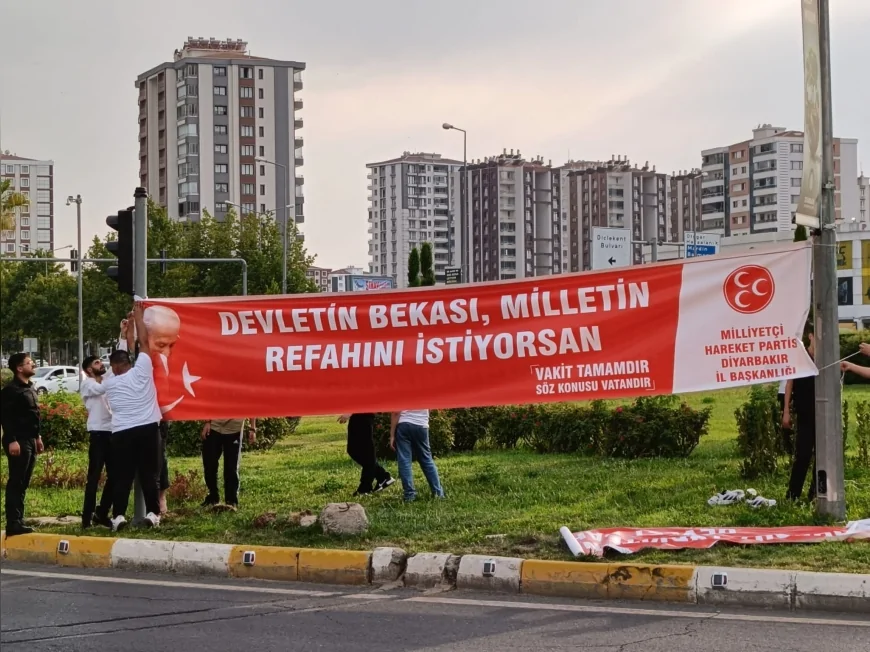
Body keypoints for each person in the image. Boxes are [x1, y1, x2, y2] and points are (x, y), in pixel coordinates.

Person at [91, 304, 163, 531]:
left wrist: (125, 332)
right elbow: (143, 341)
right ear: (129, 363)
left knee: (122, 476)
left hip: (121, 432)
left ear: (113, 366)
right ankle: (153, 514)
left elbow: (130, 347)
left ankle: (119, 516)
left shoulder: (109, 382)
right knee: (149, 474)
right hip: (148, 428)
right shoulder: (142, 369)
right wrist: (139, 315)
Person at [79, 320, 130, 528]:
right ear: (89, 370)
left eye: (102, 362)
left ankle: (102, 512)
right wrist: (114, 377)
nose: (102, 365)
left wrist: (123, 334)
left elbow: (119, 358)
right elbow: (104, 387)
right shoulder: (88, 384)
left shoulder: (106, 378)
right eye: (97, 363)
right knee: (94, 477)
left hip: (112, 432)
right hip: (98, 434)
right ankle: (86, 517)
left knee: (115, 475)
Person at [1, 353, 44, 536]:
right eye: (29, 363)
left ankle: (19, 518)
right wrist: (11, 440)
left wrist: (38, 437)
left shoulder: (30, 387)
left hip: (30, 440)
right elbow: (5, 417)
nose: (32, 364)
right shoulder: (10, 390)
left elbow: (33, 416)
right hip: (17, 440)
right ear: (19, 368)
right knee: (16, 481)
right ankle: (13, 522)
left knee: (24, 482)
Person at [783, 325, 816, 502]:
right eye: (818, 336)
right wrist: (786, 411)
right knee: (802, 455)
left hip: (824, 417)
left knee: (823, 458)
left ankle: (816, 494)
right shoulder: (800, 357)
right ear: (810, 336)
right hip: (804, 415)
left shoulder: (828, 358)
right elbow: (789, 384)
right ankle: (792, 495)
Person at [199, 417, 257, 508]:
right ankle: (212, 497)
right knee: (209, 463)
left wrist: (252, 429)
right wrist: (207, 421)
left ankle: (231, 501)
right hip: (214, 426)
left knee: (231, 467)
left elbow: (252, 405)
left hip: (234, 428)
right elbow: (209, 402)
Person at [390, 409, 444, 503]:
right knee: (427, 460)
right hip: (421, 425)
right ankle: (438, 493)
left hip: (404, 424)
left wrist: (392, 435)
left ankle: (409, 495)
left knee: (405, 461)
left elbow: (396, 412)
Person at [339, 413, 394, 496]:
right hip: (358, 417)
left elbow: (362, 400)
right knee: (353, 450)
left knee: (367, 452)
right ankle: (382, 476)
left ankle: (365, 488)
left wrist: (349, 413)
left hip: (364, 416)